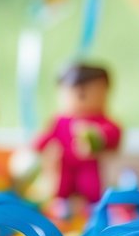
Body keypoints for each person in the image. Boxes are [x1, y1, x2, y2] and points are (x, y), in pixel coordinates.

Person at [32, 63, 121, 204]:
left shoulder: (101, 121)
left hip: (90, 164)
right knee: (62, 186)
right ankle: (62, 203)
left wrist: (97, 136)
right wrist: (35, 147)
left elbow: (112, 133)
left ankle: (91, 205)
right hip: (64, 163)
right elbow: (46, 136)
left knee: (91, 186)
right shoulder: (60, 121)